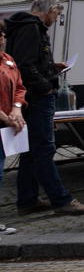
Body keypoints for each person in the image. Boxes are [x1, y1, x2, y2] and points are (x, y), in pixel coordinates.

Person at [5, 0, 84, 215]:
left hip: (32, 96)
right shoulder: (32, 29)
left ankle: (28, 199)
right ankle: (61, 200)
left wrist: (52, 67)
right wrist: (46, 87)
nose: (56, 18)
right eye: (57, 14)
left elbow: (27, 61)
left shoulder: (22, 27)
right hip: (38, 98)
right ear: (49, 10)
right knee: (44, 149)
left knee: (31, 150)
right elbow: (25, 65)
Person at [0, 21, 28, 233]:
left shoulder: (8, 60)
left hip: (6, 123)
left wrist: (17, 109)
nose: (2, 38)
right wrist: (6, 117)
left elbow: (19, 87)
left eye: (2, 33)